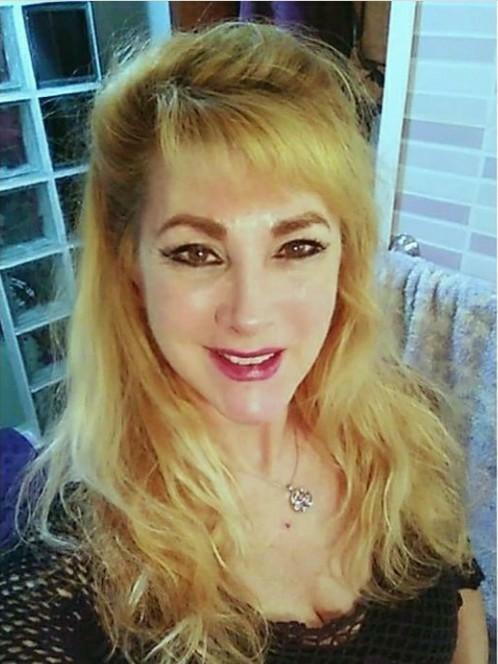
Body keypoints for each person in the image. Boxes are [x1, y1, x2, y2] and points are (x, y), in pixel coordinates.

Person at [0, 20, 489, 664]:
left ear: (345, 259)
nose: (250, 314)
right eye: (196, 252)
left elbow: (463, 613)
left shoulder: (407, 436)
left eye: (298, 247)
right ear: (130, 269)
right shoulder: (69, 564)